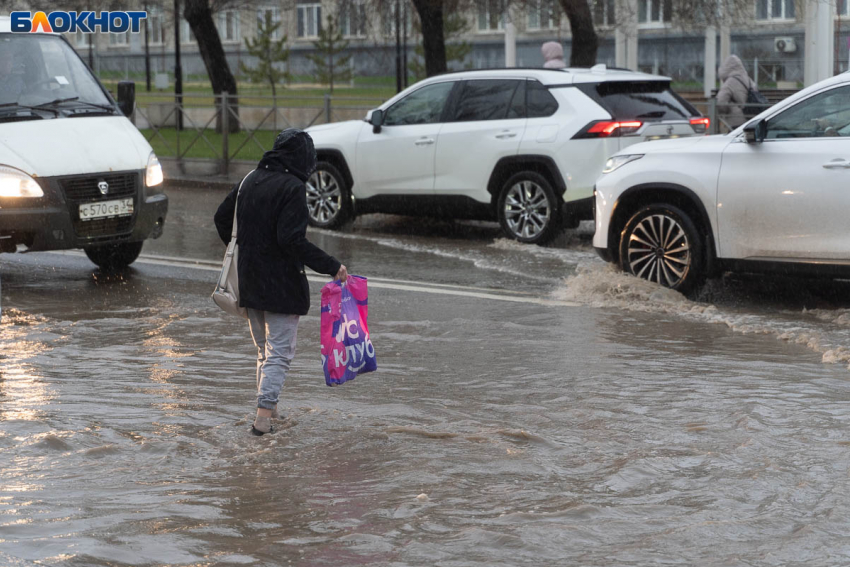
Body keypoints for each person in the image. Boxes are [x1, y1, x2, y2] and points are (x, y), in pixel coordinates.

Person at [214, 128, 348, 436]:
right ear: (302, 157)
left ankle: (270, 411)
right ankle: (262, 421)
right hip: (280, 285)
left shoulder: (250, 180)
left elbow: (222, 218)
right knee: (279, 354)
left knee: (264, 350)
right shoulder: (292, 186)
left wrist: (248, 249)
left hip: (249, 280)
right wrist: (331, 266)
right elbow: (291, 240)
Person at [716, 55, 757, 129]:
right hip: (751, 119)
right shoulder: (749, 80)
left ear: (725, 69)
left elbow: (720, 101)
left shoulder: (730, 82)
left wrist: (725, 111)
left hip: (736, 121)